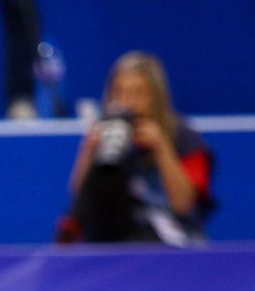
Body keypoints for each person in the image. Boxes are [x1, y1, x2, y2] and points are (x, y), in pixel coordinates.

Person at [58, 51, 215, 245]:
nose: (126, 102)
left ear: (157, 97)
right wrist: (89, 151)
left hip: (174, 239)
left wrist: (161, 148)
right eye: (118, 92)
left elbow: (183, 205)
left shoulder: (185, 138)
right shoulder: (104, 135)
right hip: (116, 239)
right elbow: (79, 201)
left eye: (137, 93)